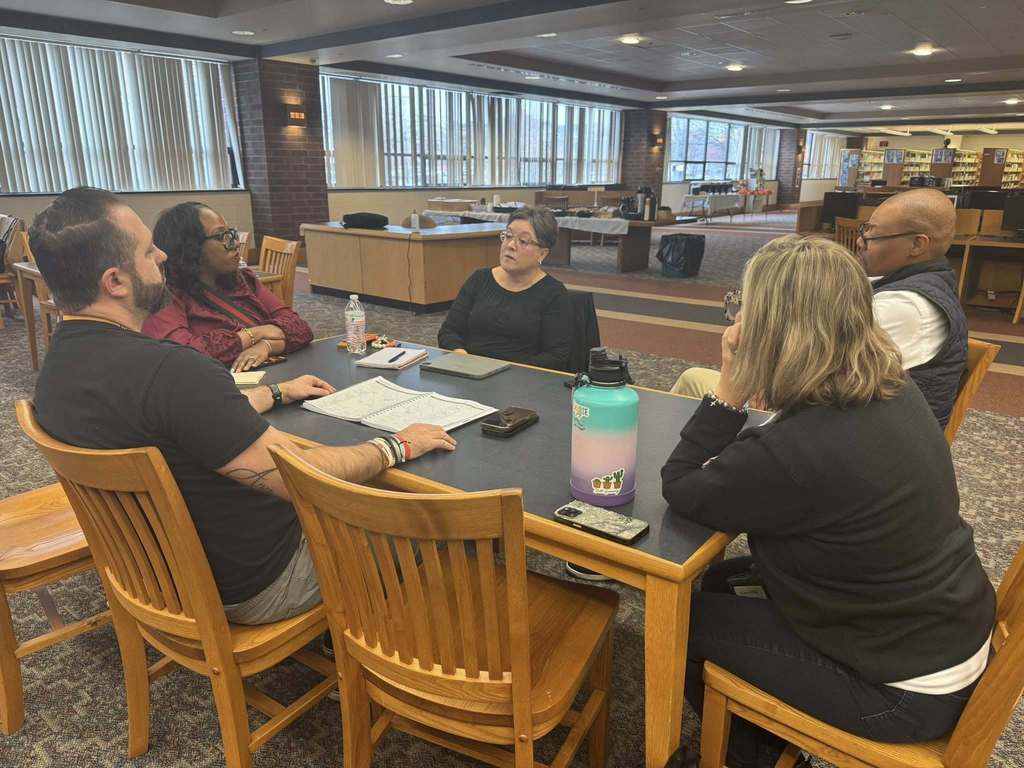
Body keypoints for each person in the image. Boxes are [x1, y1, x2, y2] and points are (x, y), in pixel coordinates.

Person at [29, 187, 456, 625]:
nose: (161, 256)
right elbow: (299, 477)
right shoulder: (175, 371)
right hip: (259, 584)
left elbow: (178, 420)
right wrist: (398, 445)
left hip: (159, 577)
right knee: (437, 516)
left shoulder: (54, 374)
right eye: (146, 250)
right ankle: (391, 645)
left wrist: (272, 392)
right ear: (115, 281)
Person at [661, 236, 994, 768]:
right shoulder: (890, 386)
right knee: (725, 580)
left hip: (899, 693)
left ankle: (742, 757)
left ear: (769, 331)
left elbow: (680, 485)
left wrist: (731, 385)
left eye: (741, 306)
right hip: (945, 631)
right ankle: (755, 740)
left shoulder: (794, 450)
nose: (735, 319)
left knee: (675, 623)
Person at [672, 188, 967, 428]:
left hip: (839, 435)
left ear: (917, 245)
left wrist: (759, 330)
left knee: (709, 392)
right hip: (836, 418)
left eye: (872, 234)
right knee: (694, 378)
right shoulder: (908, 284)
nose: (860, 242)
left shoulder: (907, 308)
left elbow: (806, 372)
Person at [142, 201, 313, 372]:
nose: (234, 244)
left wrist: (266, 346)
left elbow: (300, 327)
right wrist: (254, 334)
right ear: (190, 247)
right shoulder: (165, 298)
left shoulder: (244, 280)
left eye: (230, 234)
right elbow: (185, 357)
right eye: (220, 236)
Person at [438, 206, 572, 371]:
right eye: (508, 236)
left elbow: (556, 356)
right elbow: (449, 332)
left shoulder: (553, 294)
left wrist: (505, 371)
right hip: (469, 371)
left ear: (542, 254)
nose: (510, 245)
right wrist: (462, 356)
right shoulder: (479, 279)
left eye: (522, 241)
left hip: (520, 380)